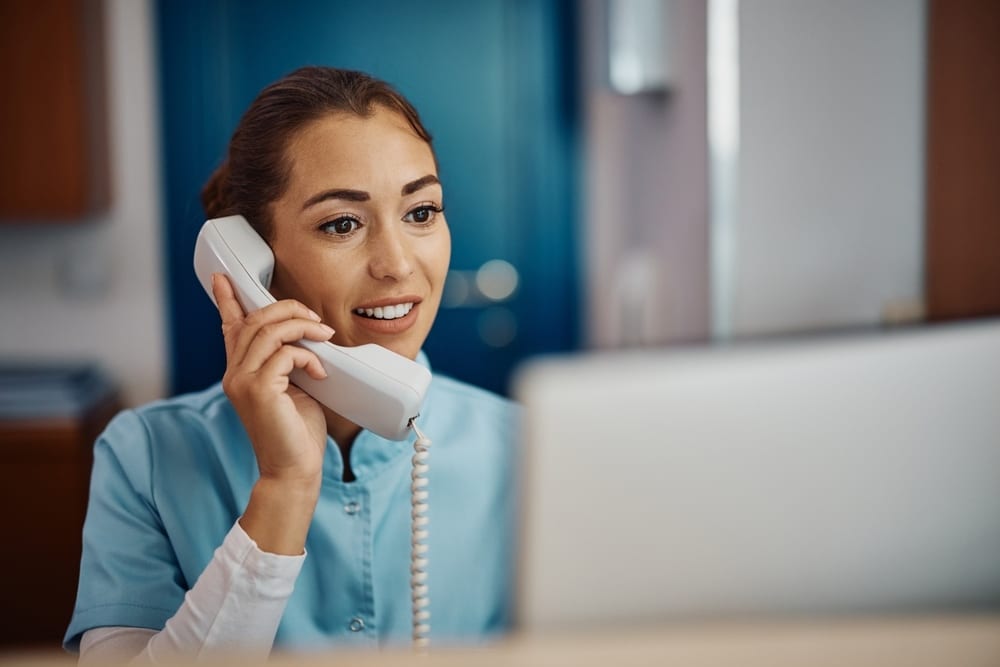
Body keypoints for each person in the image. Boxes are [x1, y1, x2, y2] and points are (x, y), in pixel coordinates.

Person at [64, 67, 518, 663]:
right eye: (342, 224)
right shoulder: (144, 456)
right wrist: (284, 487)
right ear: (251, 258)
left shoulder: (528, 449)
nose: (398, 264)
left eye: (421, 212)